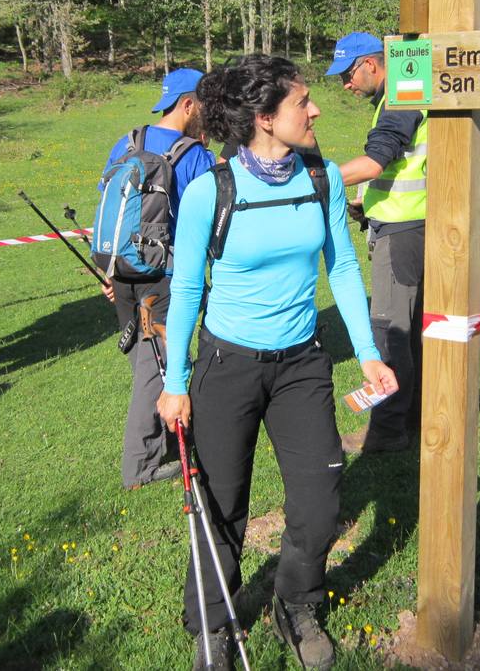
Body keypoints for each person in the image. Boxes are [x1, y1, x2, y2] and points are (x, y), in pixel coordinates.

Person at [156, 54, 397, 671]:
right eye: (302, 103)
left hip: (301, 365)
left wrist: (367, 354)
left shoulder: (322, 178)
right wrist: (175, 383)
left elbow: (342, 267)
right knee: (221, 503)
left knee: (319, 502)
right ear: (264, 118)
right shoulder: (213, 188)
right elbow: (185, 291)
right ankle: (212, 624)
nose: (316, 110)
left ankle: (296, 604)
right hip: (226, 364)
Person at [98, 68, 215, 490]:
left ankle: (169, 439)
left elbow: (107, 206)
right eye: (205, 106)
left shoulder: (127, 141)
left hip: (123, 272)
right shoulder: (195, 156)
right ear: (189, 104)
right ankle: (140, 466)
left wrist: (108, 268)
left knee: (147, 364)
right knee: (158, 368)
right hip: (166, 277)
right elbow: (214, 215)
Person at [330, 32, 426, 454]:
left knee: (390, 330)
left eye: (347, 75)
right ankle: (412, 418)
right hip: (412, 223)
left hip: (403, 231)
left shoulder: (401, 99)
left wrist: (316, 177)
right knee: (409, 331)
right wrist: (366, 202)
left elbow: (375, 162)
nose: (345, 86)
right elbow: (398, 170)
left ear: (371, 64)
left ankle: (387, 430)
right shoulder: (406, 92)